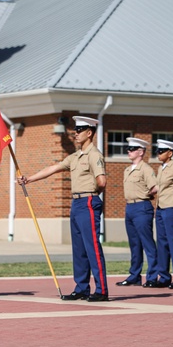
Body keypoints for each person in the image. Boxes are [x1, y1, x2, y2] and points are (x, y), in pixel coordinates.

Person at [19, 116, 109, 301]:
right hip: (76, 204)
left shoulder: (94, 155)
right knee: (79, 249)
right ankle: (81, 288)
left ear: (89, 133)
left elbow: (102, 182)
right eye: (75, 130)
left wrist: (92, 193)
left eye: (79, 130)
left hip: (88, 201)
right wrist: (29, 179)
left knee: (92, 246)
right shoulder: (75, 157)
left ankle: (101, 290)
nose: (75, 133)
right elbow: (53, 168)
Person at [119, 137, 157, 286]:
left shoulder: (146, 169)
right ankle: (134, 275)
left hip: (142, 206)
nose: (129, 151)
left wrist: (146, 194)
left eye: (132, 149)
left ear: (140, 152)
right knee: (134, 244)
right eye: (129, 148)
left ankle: (152, 276)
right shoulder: (127, 170)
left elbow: (155, 187)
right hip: (130, 207)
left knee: (147, 242)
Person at [151, 139, 173, 288]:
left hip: (172, 207)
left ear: (170, 153)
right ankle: (164, 276)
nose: (158, 153)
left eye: (161, 151)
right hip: (160, 208)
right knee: (162, 243)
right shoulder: (161, 168)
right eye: (158, 151)